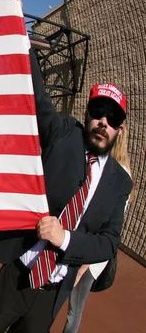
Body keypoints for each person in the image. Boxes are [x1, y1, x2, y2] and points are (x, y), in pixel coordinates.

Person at [0, 51, 133, 333]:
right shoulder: (64, 133)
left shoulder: (120, 182)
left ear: (119, 129)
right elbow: (38, 99)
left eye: (113, 117)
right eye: (98, 112)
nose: (103, 122)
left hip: (53, 292)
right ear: (87, 113)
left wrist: (65, 238)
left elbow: (108, 242)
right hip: (16, 274)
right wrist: (23, 44)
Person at [63, 120, 134, 333]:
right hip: (77, 242)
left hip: (92, 258)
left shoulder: (120, 175)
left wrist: (83, 267)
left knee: (74, 309)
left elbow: (110, 229)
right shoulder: (98, 161)